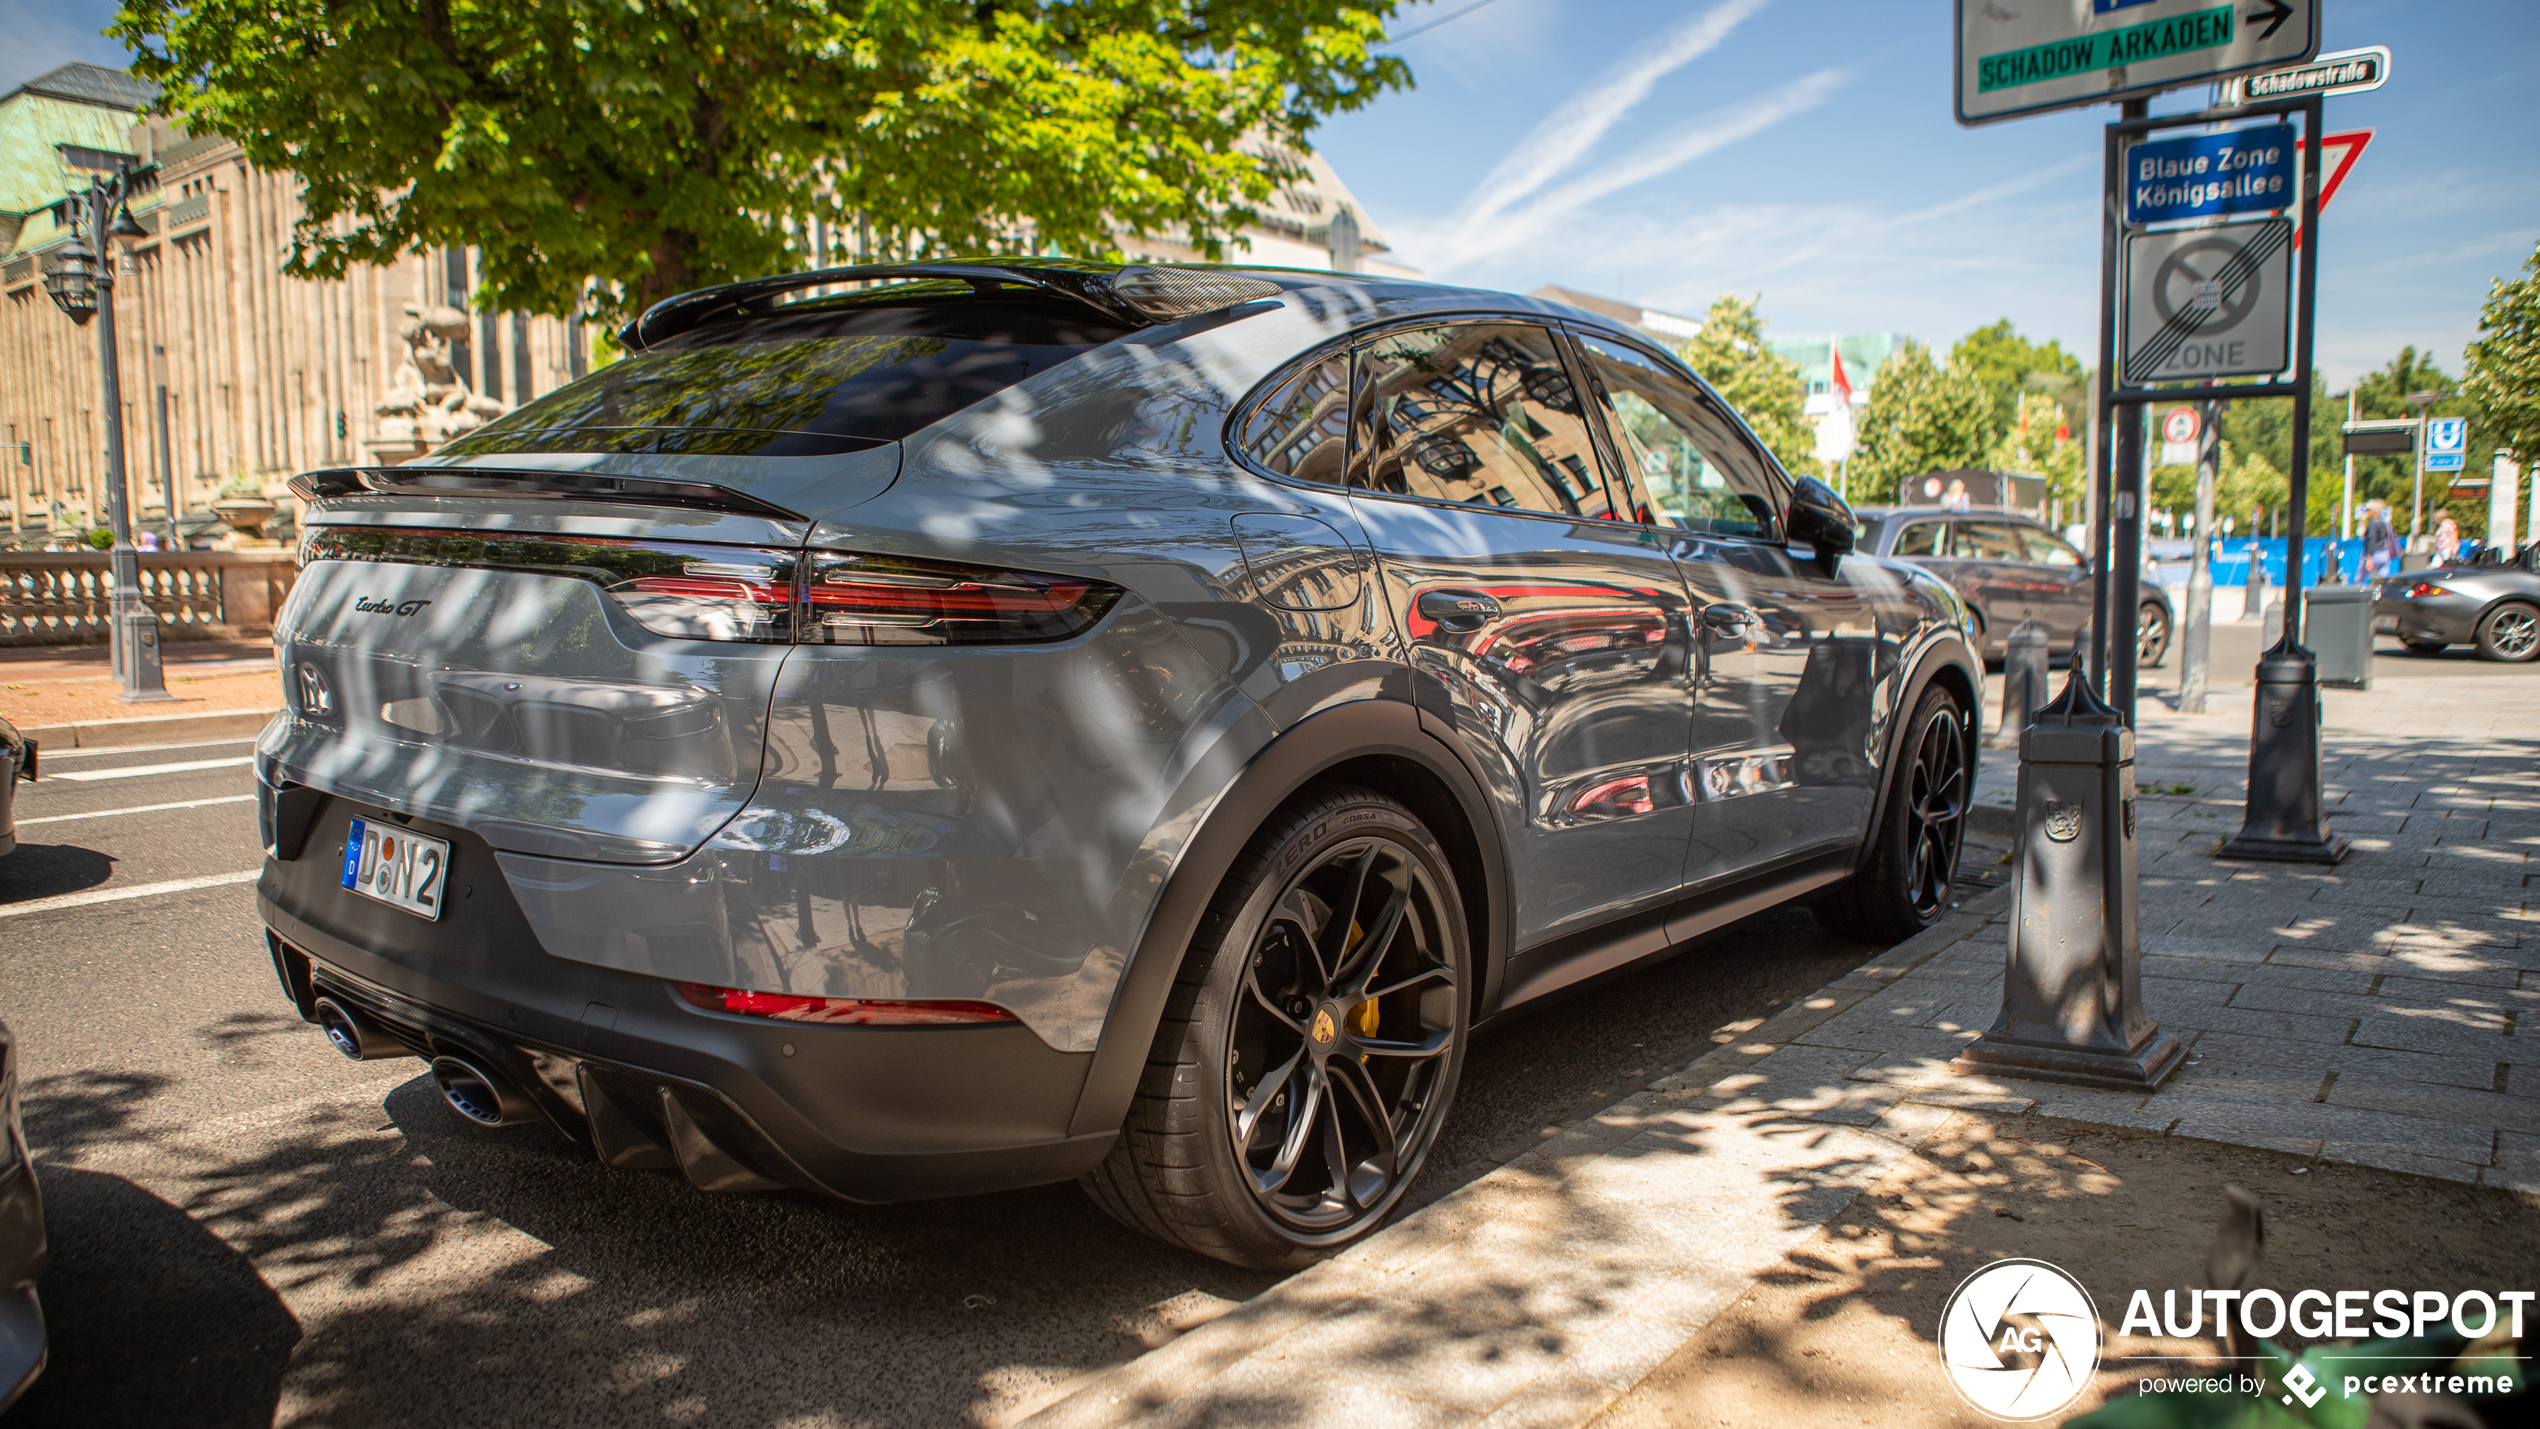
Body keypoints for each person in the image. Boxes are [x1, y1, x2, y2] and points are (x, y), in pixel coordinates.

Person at [2360, 500, 2399, 579]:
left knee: (2363, 576)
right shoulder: (2383, 523)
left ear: (2373, 511)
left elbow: (2372, 541)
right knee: (2383, 577)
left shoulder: (2372, 523)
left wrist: (2368, 557)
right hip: (2385, 553)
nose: (2367, 512)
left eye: (2368, 510)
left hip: (2376, 554)